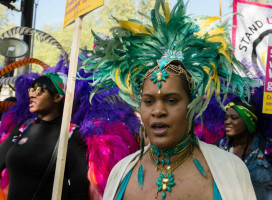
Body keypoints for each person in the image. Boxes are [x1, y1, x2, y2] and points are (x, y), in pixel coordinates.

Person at [82, 0, 259, 199]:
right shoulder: (121, 172)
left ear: (192, 105)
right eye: (148, 101)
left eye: (172, 100)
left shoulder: (230, 170)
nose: (158, 111)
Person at [0, 73, 89, 200]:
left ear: (58, 97)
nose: (31, 94)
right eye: (31, 89)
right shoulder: (22, 128)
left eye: (39, 90)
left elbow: (79, 191)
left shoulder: (72, 135)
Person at [219, 100, 272, 200]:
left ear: (248, 122)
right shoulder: (219, 149)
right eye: (226, 118)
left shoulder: (270, 149)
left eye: (234, 118)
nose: (227, 122)